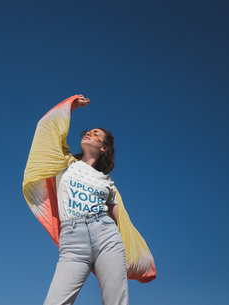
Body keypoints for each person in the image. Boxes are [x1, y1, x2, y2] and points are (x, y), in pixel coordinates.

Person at [22, 94, 156, 305]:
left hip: (107, 237)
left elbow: (119, 218)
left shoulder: (107, 181)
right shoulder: (65, 163)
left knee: (115, 302)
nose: (89, 134)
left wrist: (133, 253)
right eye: (88, 132)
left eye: (96, 134)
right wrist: (71, 105)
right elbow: (46, 128)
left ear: (103, 148)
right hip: (73, 242)